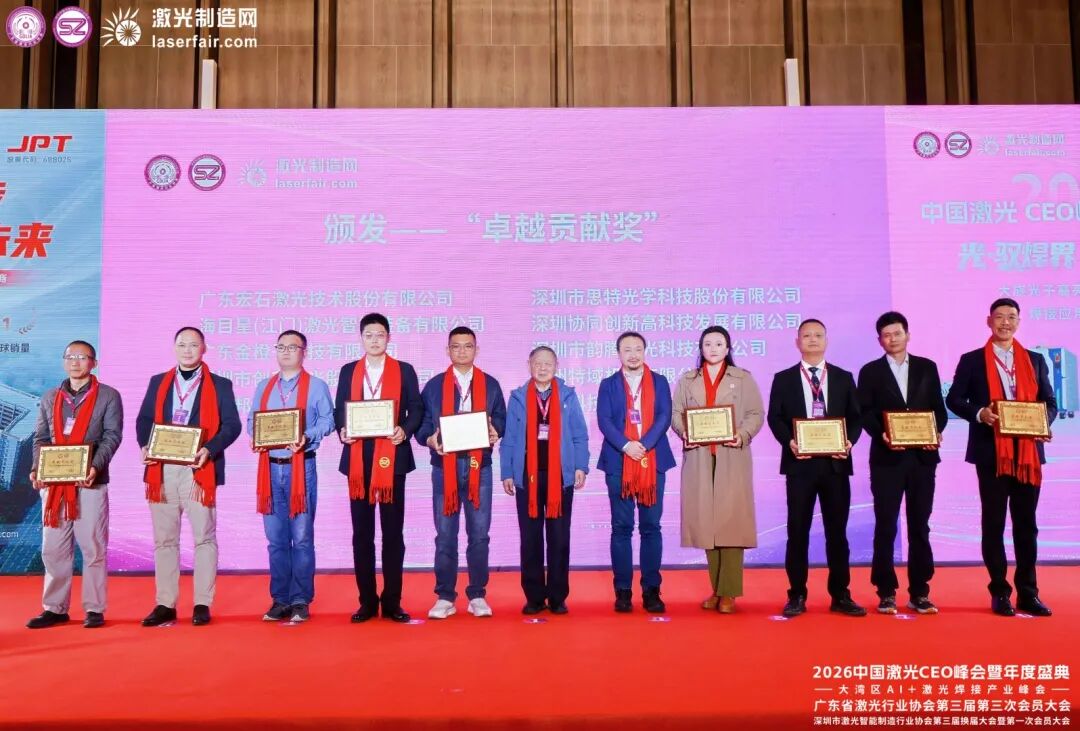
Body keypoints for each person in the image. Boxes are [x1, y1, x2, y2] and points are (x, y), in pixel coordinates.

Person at [945, 298, 1057, 617]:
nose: (1005, 322)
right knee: (993, 524)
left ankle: (1029, 593)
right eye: (999, 317)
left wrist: (1043, 424)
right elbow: (954, 399)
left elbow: (1049, 402)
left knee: (1027, 526)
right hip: (990, 453)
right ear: (989, 321)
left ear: (1018, 322)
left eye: (1011, 317)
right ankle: (999, 592)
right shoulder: (972, 360)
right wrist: (980, 413)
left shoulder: (1035, 360)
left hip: (1028, 455)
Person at [136, 326, 242, 627]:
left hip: (200, 469)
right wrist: (145, 445)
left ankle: (201, 603)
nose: (187, 350)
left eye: (193, 345)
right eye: (182, 344)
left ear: (204, 348)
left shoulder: (220, 385)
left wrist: (210, 449)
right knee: (164, 540)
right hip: (162, 469)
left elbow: (232, 425)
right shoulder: (158, 382)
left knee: (204, 538)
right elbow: (144, 420)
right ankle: (165, 603)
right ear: (174, 348)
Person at [766, 318, 865, 617]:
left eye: (818, 335)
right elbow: (775, 418)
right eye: (806, 335)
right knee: (798, 532)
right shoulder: (783, 378)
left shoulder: (844, 377)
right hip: (800, 466)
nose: (812, 339)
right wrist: (790, 442)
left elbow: (856, 417)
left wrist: (848, 441)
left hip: (835, 466)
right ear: (797, 342)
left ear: (826, 340)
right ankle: (797, 594)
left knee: (838, 533)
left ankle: (841, 595)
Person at [26, 341, 123, 629]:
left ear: (94, 363)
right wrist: (37, 469)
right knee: (53, 549)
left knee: (93, 547)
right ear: (63, 361)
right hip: (55, 484)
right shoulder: (50, 397)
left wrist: (95, 467)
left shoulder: (108, 395)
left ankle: (94, 608)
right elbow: (41, 438)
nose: (75, 362)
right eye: (70, 356)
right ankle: (55, 608)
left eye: (82, 357)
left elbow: (112, 436)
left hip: (90, 482)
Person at [856, 312, 947, 615]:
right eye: (886, 335)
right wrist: (881, 433)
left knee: (920, 525)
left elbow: (938, 410)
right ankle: (886, 591)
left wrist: (935, 432)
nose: (892, 339)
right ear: (879, 340)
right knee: (886, 525)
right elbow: (864, 412)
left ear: (907, 335)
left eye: (897, 333)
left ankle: (920, 591)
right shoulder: (870, 371)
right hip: (887, 459)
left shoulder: (927, 367)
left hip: (922, 459)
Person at [335, 313, 423, 623]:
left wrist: (404, 430)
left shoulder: (404, 370)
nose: (374, 340)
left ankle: (393, 601)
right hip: (358, 459)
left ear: (389, 337)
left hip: (392, 458)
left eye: (380, 335)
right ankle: (367, 602)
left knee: (393, 533)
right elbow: (340, 409)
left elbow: (417, 408)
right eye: (369, 335)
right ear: (361, 338)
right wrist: (343, 430)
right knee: (362, 534)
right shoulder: (348, 371)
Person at [671, 326, 764, 614]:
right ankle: (717, 589)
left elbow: (756, 414)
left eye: (719, 344)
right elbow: (676, 413)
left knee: (730, 524)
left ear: (728, 348)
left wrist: (742, 434)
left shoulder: (743, 378)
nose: (713, 349)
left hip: (731, 456)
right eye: (708, 344)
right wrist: (685, 432)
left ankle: (729, 592)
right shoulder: (688, 380)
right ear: (701, 348)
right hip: (699, 457)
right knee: (707, 525)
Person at [416, 326, 506, 619]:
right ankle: (445, 596)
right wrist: (430, 439)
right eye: (456, 346)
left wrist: (496, 430)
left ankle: (477, 594)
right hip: (445, 468)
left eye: (468, 346)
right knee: (445, 535)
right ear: (448, 350)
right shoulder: (434, 386)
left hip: (480, 468)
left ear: (476, 350)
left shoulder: (490, 384)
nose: (462, 351)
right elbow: (422, 425)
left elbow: (501, 419)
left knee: (479, 535)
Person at [247, 330, 335, 623]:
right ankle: (280, 599)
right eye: (280, 347)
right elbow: (252, 420)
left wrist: (306, 435)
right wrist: (255, 436)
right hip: (269, 468)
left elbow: (329, 420)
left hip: (301, 467)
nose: (285, 352)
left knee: (302, 537)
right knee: (275, 540)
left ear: (304, 352)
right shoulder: (264, 386)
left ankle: (300, 600)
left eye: (292, 347)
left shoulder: (317, 386)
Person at [500, 346, 589, 615]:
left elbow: (579, 434)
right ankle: (534, 597)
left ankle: (558, 597)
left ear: (556, 366)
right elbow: (509, 439)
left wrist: (581, 466)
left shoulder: (568, 396)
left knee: (559, 538)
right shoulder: (518, 397)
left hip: (560, 478)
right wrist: (507, 472)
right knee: (530, 539)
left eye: (547, 363)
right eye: (537, 363)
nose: (542, 368)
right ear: (529, 365)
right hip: (527, 477)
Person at [596, 331, 674, 613]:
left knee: (651, 527)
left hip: (653, 461)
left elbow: (665, 415)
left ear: (645, 351)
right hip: (619, 461)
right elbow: (604, 420)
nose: (633, 354)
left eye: (638, 349)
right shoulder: (608, 385)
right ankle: (623, 591)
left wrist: (644, 445)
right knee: (622, 527)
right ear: (618, 353)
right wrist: (627, 446)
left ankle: (651, 590)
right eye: (627, 349)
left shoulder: (660, 382)